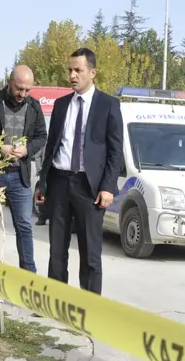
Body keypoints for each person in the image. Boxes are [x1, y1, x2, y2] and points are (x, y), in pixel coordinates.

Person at [35, 48, 123, 294]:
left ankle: (90, 304)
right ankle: (56, 298)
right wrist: (43, 183)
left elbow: (115, 151)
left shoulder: (109, 105)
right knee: (57, 247)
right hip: (60, 181)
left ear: (92, 72)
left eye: (78, 70)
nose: (72, 75)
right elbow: (52, 147)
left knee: (90, 250)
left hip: (89, 187)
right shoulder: (62, 104)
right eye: (70, 70)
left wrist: (108, 186)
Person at [0, 65, 48, 271]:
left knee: (24, 226)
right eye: (19, 89)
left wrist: (27, 150)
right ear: (9, 81)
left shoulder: (34, 106)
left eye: (27, 90)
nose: (23, 94)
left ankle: (28, 275)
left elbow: (42, 136)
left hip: (19, 176)